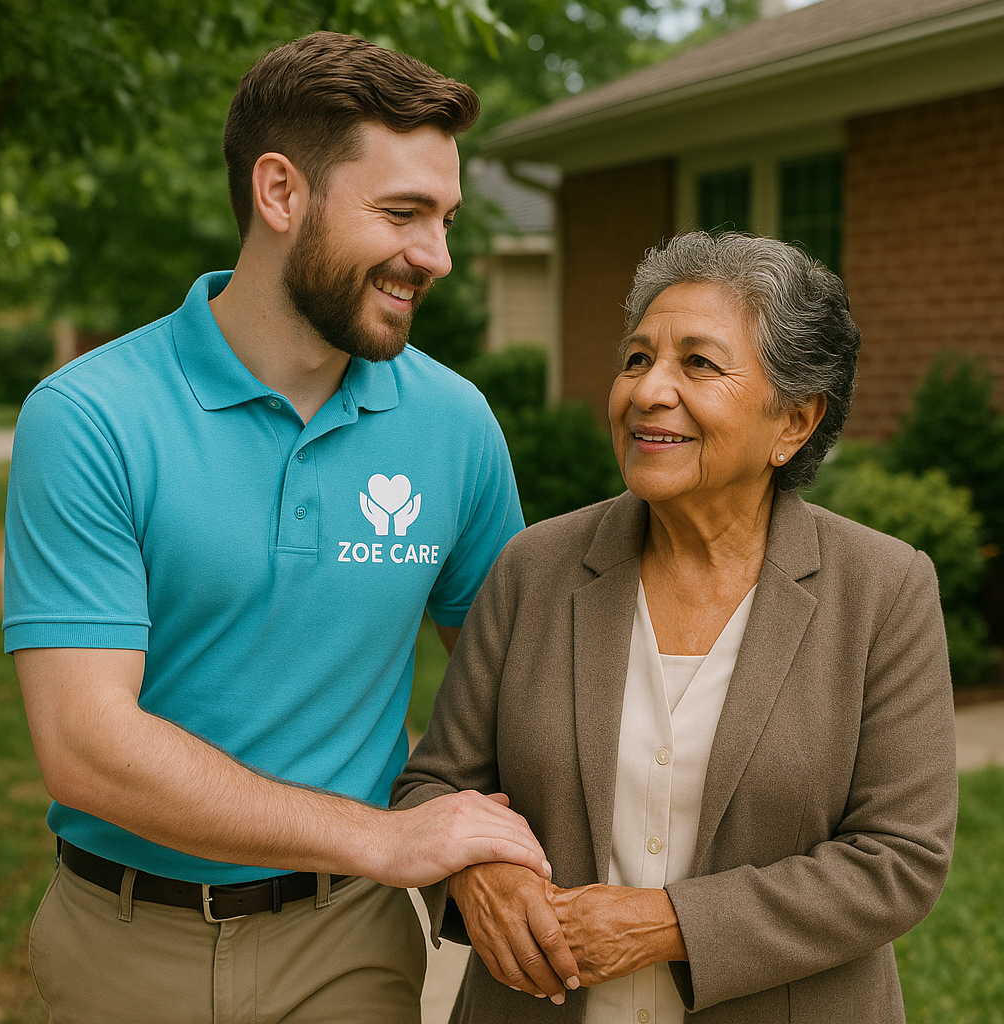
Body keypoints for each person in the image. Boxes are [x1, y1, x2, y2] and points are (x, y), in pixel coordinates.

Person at [3, 31, 552, 1024]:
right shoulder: (90, 416)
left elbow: (520, 685)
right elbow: (84, 743)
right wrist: (384, 838)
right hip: (122, 945)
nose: (435, 256)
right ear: (279, 192)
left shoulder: (455, 424)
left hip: (345, 944)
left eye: (445, 219)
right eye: (402, 213)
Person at [394, 231, 958, 1023]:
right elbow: (434, 783)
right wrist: (475, 873)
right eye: (636, 359)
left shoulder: (883, 590)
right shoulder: (534, 568)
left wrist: (666, 924)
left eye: (697, 363)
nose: (649, 390)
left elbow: (899, 859)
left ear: (794, 421)